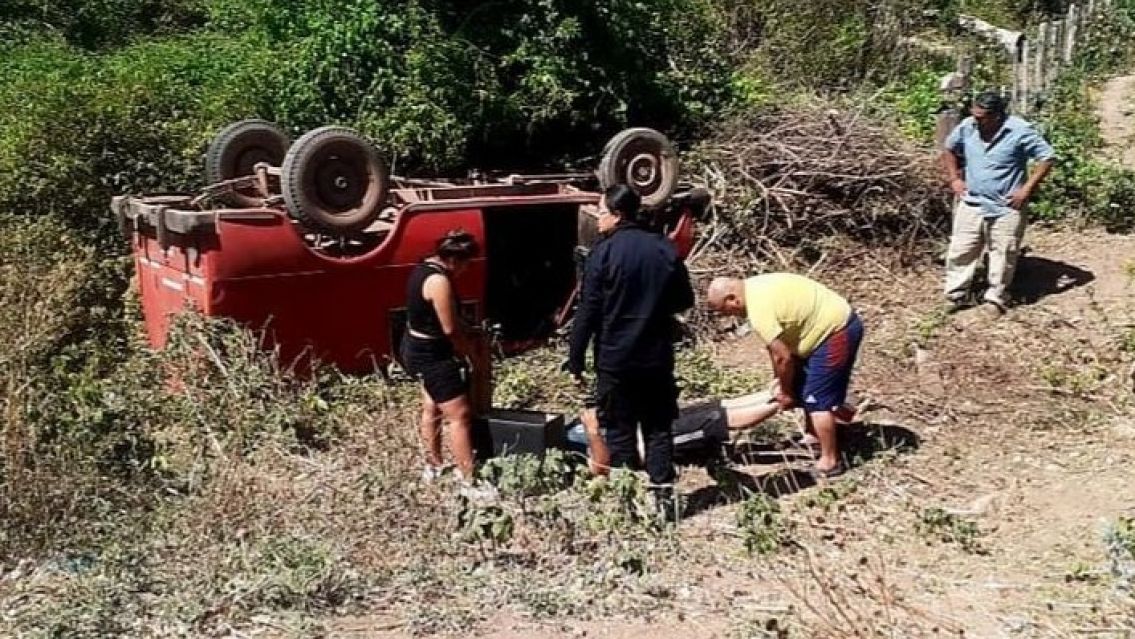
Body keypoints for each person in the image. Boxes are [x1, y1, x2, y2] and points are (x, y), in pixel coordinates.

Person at [566, 184, 695, 515]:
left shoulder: (603, 253)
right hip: (656, 357)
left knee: (620, 429)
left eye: (601, 212)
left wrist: (575, 357)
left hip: (615, 358)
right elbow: (684, 299)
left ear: (618, 214)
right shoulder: (664, 248)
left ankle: (627, 504)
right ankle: (663, 499)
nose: (598, 219)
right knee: (658, 427)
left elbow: (588, 311)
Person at [705, 273, 864, 478]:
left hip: (835, 331)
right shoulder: (754, 288)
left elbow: (783, 357)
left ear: (732, 299)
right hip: (817, 331)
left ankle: (830, 461)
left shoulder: (759, 309)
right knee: (804, 384)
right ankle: (816, 436)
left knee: (816, 401)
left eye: (724, 311)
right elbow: (776, 351)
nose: (728, 316)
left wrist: (786, 392)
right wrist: (780, 381)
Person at [941, 90, 1056, 316]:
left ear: (997, 116)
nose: (976, 120)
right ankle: (956, 295)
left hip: (1006, 206)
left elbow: (1047, 157)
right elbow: (949, 148)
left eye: (982, 117)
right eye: (974, 114)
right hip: (972, 201)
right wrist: (954, 179)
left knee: (1003, 253)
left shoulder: (1020, 131)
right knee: (961, 250)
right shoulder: (967, 127)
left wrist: (1026, 190)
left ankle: (996, 299)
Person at [400, 229, 483, 488]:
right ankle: (469, 481)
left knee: (432, 406)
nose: (465, 270)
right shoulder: (439, 281)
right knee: (460, 415)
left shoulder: (423, 267)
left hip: (414, 346)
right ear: (455, 260)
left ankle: (433, 465)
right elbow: (450, 329)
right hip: (432, 354)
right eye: (466, 264)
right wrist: (471, 355)